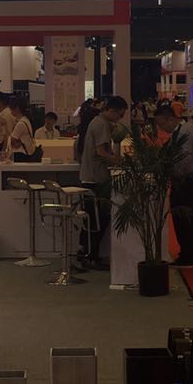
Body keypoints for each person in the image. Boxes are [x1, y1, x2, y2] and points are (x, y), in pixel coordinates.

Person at [78, 95, 128, 269]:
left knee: (93, 219)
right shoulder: (101, 124)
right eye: (120, 115)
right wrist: (120, 161)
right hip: (96, 180)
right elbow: (101, 152)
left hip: (92, 178)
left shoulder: (98, 122)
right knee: (98, 220)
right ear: (112, 110)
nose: (119, 119)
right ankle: (91, 257)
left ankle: (87, 254)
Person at [155, 102, 193, 268]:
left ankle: (188, 255)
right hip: (191, 177)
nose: (161, 129)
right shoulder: (191, 128)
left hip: (184, 180)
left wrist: (169, 170)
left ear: (169, 119)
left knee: (183, 218)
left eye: (162, 124)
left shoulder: (182, 133)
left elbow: (183, 159)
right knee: (192, 217)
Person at [7, 97, 38, 163]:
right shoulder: (26, 120)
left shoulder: (20, 123)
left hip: (21, 154)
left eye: (11, 109)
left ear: (16, 108)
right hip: (27, 153)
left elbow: (13, 140)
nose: (10, 111)